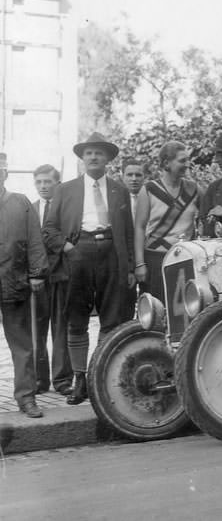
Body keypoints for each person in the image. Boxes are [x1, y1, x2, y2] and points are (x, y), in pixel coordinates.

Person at [44, 132, 135, 405]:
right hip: (78, 253)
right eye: (89, 153)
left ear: (107, 158)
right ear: (82, 159)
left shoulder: (119, 190)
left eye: (99, 153)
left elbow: (128, 233)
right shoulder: (65, 190)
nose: (94, 157)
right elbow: (48, 229)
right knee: (76, 318)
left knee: (111, 317)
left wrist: (129, 266)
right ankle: (80, 379)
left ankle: (99, 374)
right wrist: (68, 248)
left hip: (111, 254)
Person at [0, 153, 50, 418]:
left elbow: (34, 240)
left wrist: (37, 273)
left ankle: (26, 397)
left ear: (5, 174)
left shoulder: (19, 203)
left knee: (22, 344)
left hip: (14, 282)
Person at [134, 141, 201, 300]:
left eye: (187, 160)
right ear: (166, 163)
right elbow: (139, 228)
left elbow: (207, 217)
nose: (187, 164)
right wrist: (139, 264)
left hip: (185, 257)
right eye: (182, 161)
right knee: (156, 311)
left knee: (186, 308)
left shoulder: (194, 189)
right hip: (156, 259)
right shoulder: (149, 189)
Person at [31, 164, 72, 396]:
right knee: (37, 329)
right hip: (37, 278)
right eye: (39, 182)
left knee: (60, 327)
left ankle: (62, 379)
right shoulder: (31, 208)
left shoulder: (65, 209)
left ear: (57, 183)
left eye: (48, 181)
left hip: (61, 275)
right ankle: (39, 379)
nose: (44, 186)